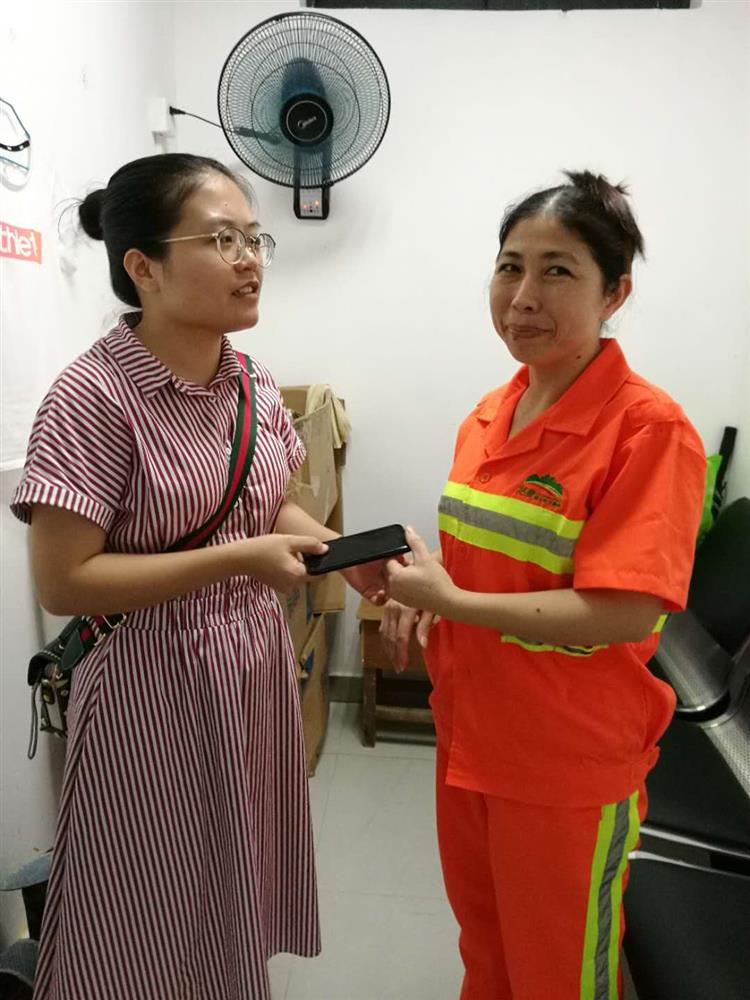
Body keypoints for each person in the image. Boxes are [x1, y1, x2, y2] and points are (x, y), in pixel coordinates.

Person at [10, 153, 385, 1000]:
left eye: (255, 238)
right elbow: (65, 582)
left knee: (228, 885)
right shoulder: (93, 398)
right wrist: (238, 561)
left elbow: (268, 507)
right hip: (150, 685)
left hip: (249, 671)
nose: (250, 260)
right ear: (143, 267)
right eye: (222, 240)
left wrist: (343, 552)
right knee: (143, 909)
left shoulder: (249, 382)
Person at [381, 171, 706, 1000]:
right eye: (509, 266)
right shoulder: (492, 412)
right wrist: (423, 593)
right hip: (471, 736)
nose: (523, 296)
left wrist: (452, 603)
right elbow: (491, 564)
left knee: (558, 975)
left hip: (565, 763)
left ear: (614, 293)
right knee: (487, 950)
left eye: (557, 270)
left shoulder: (649, 431)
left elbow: (624, 609)